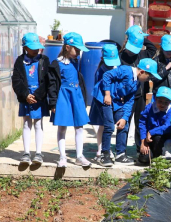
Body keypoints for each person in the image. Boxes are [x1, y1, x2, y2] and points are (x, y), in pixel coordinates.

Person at [98, 59, 160, 167]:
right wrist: (107, 94)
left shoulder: (137, 84)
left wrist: (125, 118)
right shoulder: (125, 70)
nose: (148, 79)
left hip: (116, 101)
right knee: (109, 126)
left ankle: (120, 154)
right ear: (142, 72)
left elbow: (129, 101)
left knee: (124, 125)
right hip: (105, 98)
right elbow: (107, 75)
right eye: (148, 76)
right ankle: (104, 154)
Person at [48, 32, 91, 168]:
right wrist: (53, 102)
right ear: (67, 47)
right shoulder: (57, 63)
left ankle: (79, 156)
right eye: (76, 49)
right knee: (62, 127)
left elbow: (79, 79)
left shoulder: (75, 61)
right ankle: (62, 157)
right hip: (64, 97)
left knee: (79, 126)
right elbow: (52, 84)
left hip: (76, 96)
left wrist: (83, 99)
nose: (78, 52)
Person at [12, 33, 50, 165]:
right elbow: (16, 80)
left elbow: (47, 80)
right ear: (25, 47)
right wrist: (25, 95)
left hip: (39, 97)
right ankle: (26, 152)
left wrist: (38, 95)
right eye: (32, 47)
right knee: (27, 123)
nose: (35, 50)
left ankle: (38, 153)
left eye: (37, 47)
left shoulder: (44, 60)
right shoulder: (19, 61)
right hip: (26, 98)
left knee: (38, 124)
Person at [119, 25, 156, 152]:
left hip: (140, 95)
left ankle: (139, 147)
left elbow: (153, 48)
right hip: (127, 96)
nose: (132, 52)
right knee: (125, 121)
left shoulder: (142, 54)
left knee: (140, 122)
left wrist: (141, 37)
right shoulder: (121, 56)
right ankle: (121, 149)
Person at [88, 44, 120, 163]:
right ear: (102, 59)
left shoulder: (115, 68)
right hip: (102, 100)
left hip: (111, 100)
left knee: (105, 125)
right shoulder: (101, 71)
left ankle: (103, 149)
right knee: (105, 125)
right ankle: (101, 150)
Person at [138, 86, 171, 164]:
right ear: (155, 98)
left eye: (166, 102)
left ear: (170, 102)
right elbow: (142, 123)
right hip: (149, 139)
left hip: (163, 139)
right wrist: (143, 141)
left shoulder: (170, 111)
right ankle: (151, 154)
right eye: (160, 101)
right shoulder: (149, 108)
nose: (162, 104)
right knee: (144, 158)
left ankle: (158, 157)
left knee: (158, 137)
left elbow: (167, 127)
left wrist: (152, 132)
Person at [151, 34, 171, 114]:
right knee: (157, 115)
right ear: (162, 48)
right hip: (159, 94)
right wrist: (166, 68)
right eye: (167, 50)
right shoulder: (156, 61)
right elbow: (154, 78)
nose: (170, 52)